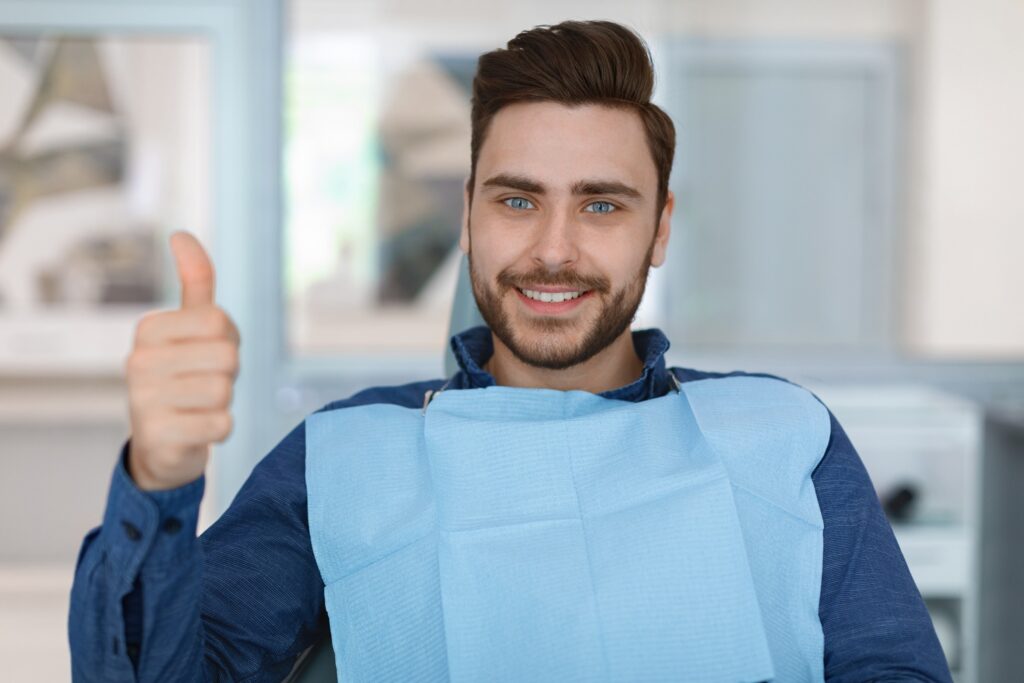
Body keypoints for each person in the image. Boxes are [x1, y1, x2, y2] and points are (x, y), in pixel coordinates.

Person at [68, 20, 952, 682]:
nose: (555, 249)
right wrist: (159, 476)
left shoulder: (783, 433)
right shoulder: (345, 454)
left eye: (602, 204)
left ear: (660, 228)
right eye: (517, 200)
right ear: (467, 214)